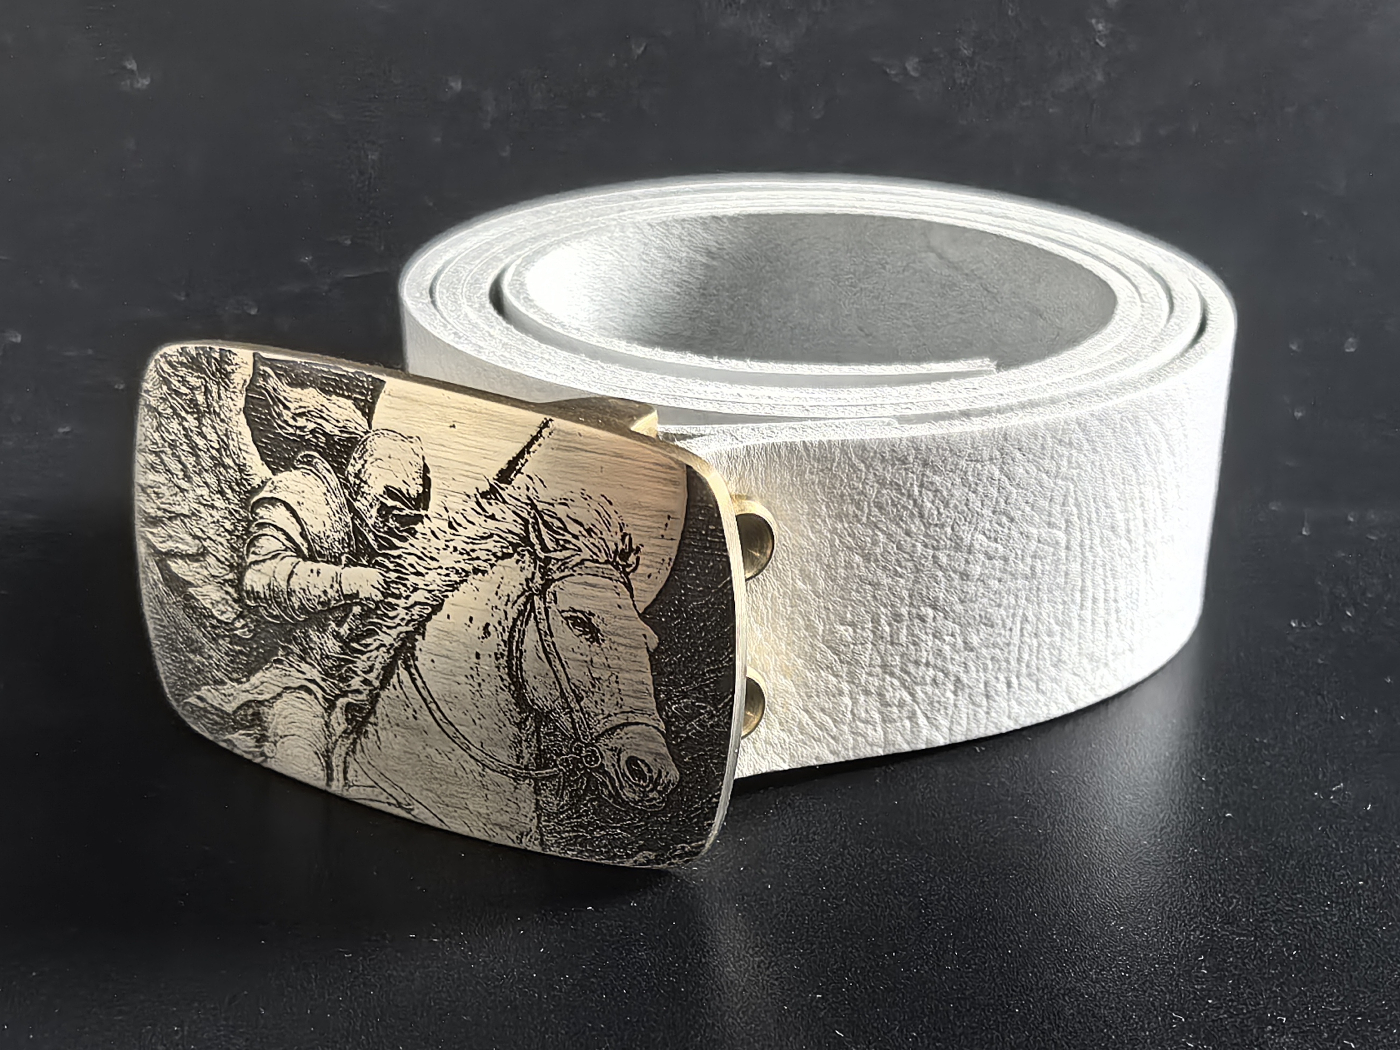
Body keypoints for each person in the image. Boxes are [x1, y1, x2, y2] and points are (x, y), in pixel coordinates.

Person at [231, 429, 431, 784]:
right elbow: (259, 580)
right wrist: (346, 582)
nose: (400, 530)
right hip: (293, 680)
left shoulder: (393, 546)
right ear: (365, 493)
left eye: (409, 521)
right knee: (302, 765)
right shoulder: (301, 495)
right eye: (391, 513)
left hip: (357, 688)